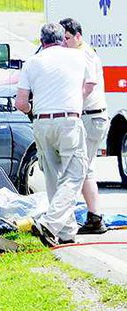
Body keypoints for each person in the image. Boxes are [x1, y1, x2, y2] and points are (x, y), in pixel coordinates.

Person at [16, 22, 94, 246]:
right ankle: (51, 224)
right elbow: (90, 85)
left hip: (41, 122)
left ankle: (66, 231)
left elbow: (21, 103)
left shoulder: (32, 62)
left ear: (42, 42)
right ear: (62, 39)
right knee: (74, 174)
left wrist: (33, 109)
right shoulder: (78, 57)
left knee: (52, 176)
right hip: (69, 120)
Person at [61, 17, 108, 234]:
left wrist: (70, 103)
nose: (64, 42)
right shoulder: (75, 52)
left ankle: (71, 218)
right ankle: (94, 217)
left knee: (77, 170)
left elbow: (89, 85)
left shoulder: (85, 53)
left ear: (78, 36)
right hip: (90, 118)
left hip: (91, 117)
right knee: (85, 169)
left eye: (68, 38)